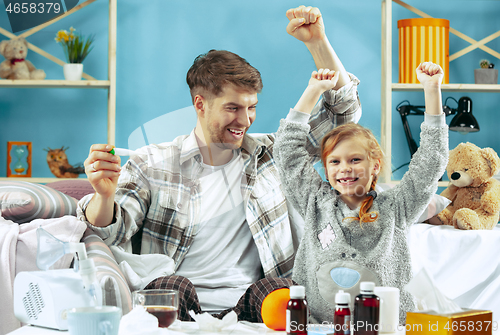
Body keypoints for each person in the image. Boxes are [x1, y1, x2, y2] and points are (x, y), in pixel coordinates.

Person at [77, 6, 361, 322]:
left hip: (252, 305)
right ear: (200, 104)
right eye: (232, 108)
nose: (245, 120)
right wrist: (103, 196)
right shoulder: (151, 163)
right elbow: (110, 234)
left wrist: (317, 43)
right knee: (168, 286)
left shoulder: (275, 153)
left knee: (281, 290)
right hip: (180, 302)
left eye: (251, 107)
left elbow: (342, 115)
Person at [274, 61, 448, 325]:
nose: (345, 169)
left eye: (355, 160)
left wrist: (432, 91)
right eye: (335, 161)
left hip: (387, 326)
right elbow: (287, 154)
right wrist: (312, 91)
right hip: (320, 326)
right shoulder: (314, 202)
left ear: (374, 165)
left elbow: (430, 162)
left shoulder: (396, 207)